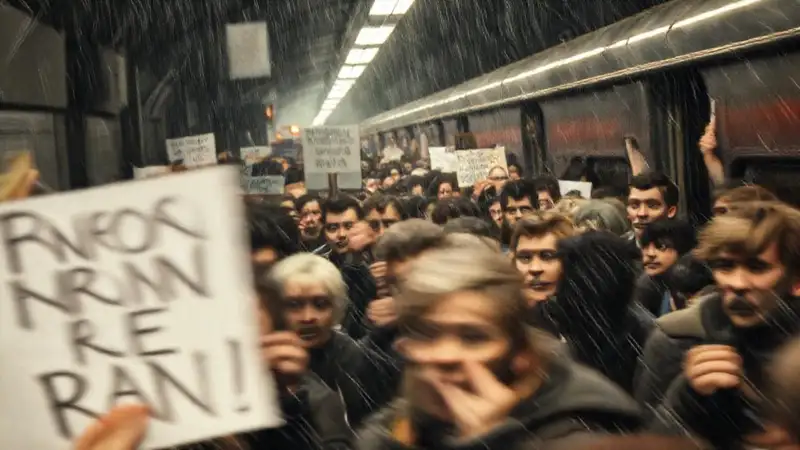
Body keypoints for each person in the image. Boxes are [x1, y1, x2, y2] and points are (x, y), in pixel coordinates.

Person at [356, 236, 643, 450]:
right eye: (426, 334)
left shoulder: (579, 432)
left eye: (472, 337)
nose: (444, 356)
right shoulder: (393, 427)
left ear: (521, 354)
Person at [638, 201, 800, 448]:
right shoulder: (676, 338)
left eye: (757, 267)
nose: (738, 283)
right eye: (725, 266)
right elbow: (646, 441)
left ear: (794, 279)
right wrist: (686, 401)